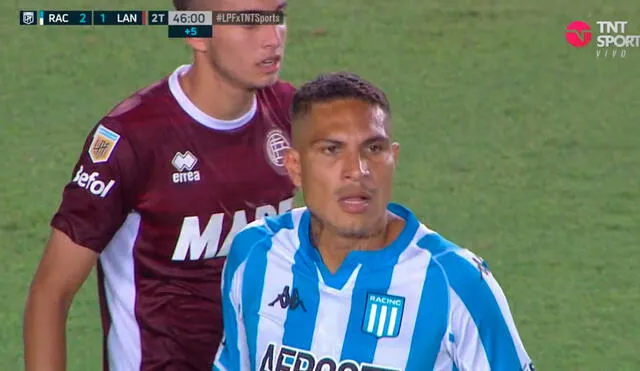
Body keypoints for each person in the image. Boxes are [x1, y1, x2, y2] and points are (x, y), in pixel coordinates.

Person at [23, 0, 294, 370]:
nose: (271, 38)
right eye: (248, 24)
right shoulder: (133, 139)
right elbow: (51, 294)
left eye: (277, 15)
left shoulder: (290, 112)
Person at [213, 72, 535, 371]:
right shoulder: (255, 253)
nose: (358, 170)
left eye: (374, 148)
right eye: (332, 150)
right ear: (295, 167)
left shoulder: (454, 282)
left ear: (393, 158)